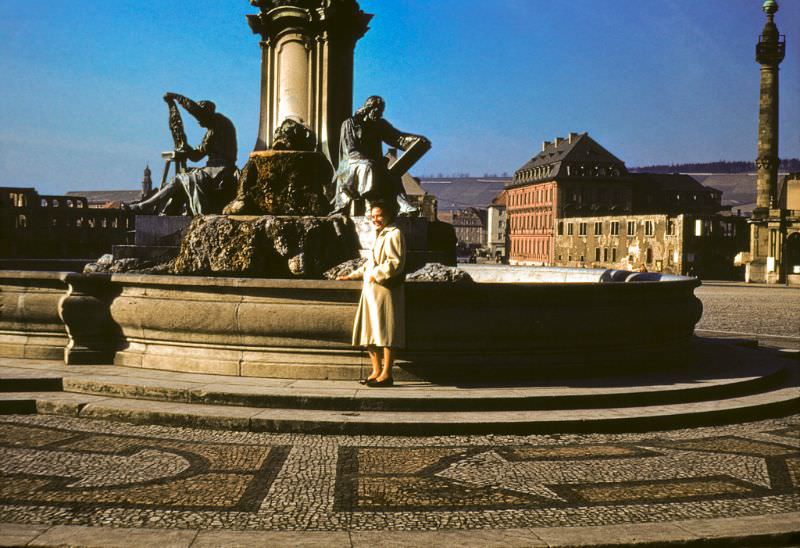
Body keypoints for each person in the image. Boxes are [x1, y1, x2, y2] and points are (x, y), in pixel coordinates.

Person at [128, 93, 238, 215]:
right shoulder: (211, 129)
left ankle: (144, 206)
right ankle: (167, 211)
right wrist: (184, 145)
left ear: (207, 114)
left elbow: (196, 110)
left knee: (180, 179)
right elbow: (196, 156)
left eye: (200, 118)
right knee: (183, 181)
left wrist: (177, 97)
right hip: (210, 170)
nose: (198, 121)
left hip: (220, 171)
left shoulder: (220, 123)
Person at [337, 200, 406, 387]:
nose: (375, 219)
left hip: (385, 291)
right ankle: (376, 370)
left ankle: (387, 374)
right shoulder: (380, 234)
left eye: (379, 215)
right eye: (373, 216)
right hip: (371, 291)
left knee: (386, 333)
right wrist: (352, 275)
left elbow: (395, 262)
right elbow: (370, 262)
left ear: (388, 215)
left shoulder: (394, 233)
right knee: (368, 331)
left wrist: (376, 275)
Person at [330, 95, 428, 217]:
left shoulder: (379, 124)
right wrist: (370, 162)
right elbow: (351, 150)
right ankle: (371, 207)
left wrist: (416, 141)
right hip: (352, 164)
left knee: (392, 175)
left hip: (373, 164)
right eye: (378, 110)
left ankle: (403, 206)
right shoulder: (350, 124)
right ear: (369, 108)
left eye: (382, 111)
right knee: (370, 168)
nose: (380, 114)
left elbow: (398, 138)